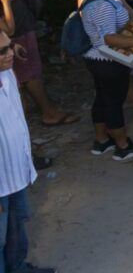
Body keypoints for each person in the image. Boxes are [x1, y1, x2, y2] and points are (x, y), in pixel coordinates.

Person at [0, 0, 77, 127]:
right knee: (29, 70)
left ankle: (21, 114)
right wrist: (31, 15)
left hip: (10, 27)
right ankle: (47, 112)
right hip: (18, 26)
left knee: (13, 73)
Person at [79, 0, 133, 161]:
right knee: (113, 101)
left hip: (98, 60)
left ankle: (101, 141)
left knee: (102, 98)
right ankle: (122, 145)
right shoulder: (101, 5)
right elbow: (108, 38)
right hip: (107, 61)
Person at [0, 31, 56, 273]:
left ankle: (18, 267)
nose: (10, 53)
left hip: (14, 172)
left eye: (9, 46)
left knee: (17, 223)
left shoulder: (7, 74)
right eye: (2, 51)